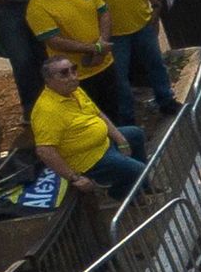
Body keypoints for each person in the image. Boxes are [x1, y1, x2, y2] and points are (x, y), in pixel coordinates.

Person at [29, 51, 146, 204]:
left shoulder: (74, 90)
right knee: (137, 169)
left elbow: (98, 113)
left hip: (104, 142)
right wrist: (74, 178)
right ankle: (119, 193)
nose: (72, 76)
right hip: (89, 159)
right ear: (49, 81)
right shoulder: (47, 111)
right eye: (64, 74)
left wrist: (121, 139)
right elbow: (45, 151)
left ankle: (142, 187)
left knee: (135, 134)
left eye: (73, 69)